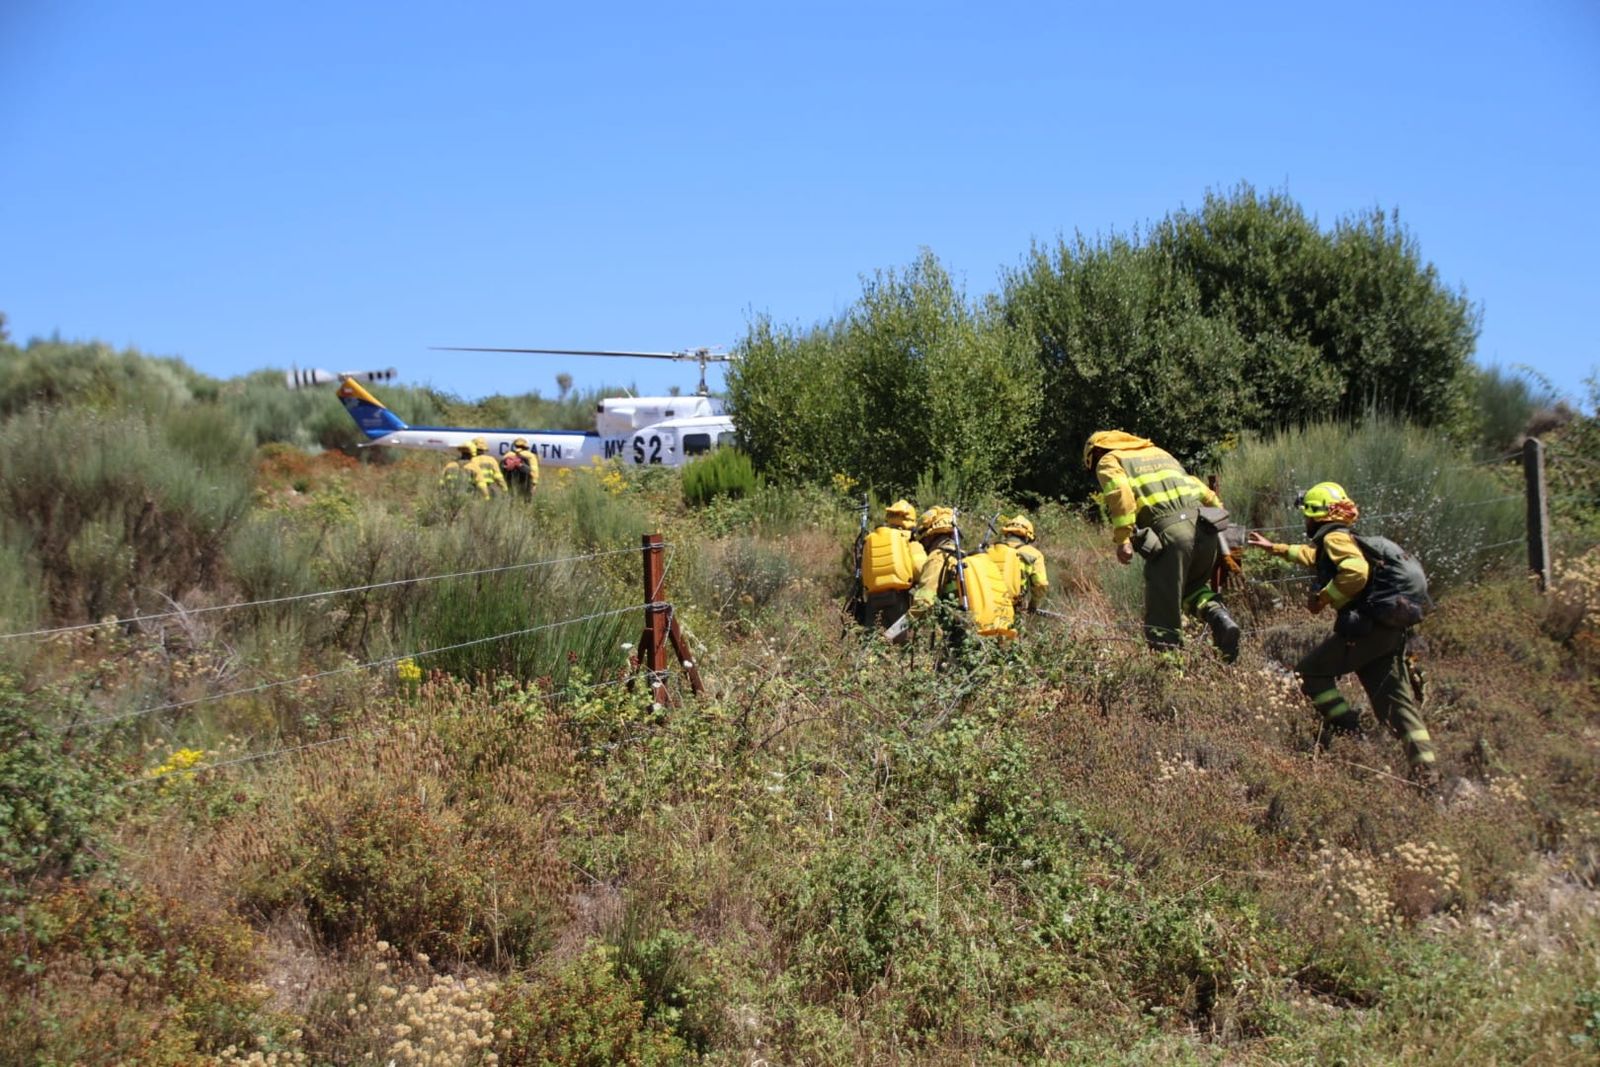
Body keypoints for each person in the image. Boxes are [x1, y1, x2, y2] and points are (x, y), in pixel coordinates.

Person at [1246, 482, 1439, 787]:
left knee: (1311, 672)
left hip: (1366, 630)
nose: (1305, 521)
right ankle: (1428, 778)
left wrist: (1323, 597)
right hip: (1389, 632)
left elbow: (1355, 572)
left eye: (1307, 514)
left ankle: (1350, 730)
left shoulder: (1334, 538)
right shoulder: (1341, 538)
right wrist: (1276, 549)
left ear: (1316, 516)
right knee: (1397, 707)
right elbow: (1315, 557)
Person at [1084, 430, 1241, 660]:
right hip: (1206, 528)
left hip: (1173, 537)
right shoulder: (1159, 453)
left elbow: (1121, 494)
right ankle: (1220, 617)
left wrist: (1123, 538)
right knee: (1192, 590)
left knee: (1162, 616)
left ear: (1095, 453)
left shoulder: (1109, 460)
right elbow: (1202, 490)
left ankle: (1168, 676)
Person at [858, 499, 926, 630]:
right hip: (899, 600)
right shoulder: (908, 540)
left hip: (873, 601)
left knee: (873, 642)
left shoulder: (872, 539)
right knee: (900, 642)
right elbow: (921, 571)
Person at [995, 514, 1049, 615]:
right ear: (1027, 537)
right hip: (1012, 605)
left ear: (1007, 533)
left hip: (986, 601)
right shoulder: (1034, 554)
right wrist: (1033, 604)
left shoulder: (990, 550)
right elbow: (1040, 584)